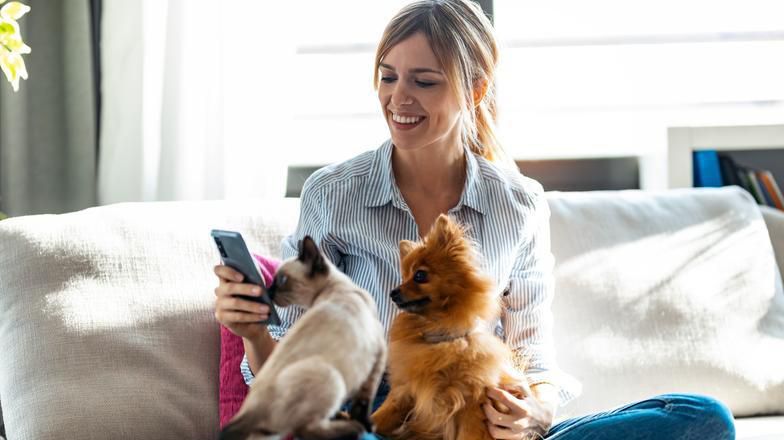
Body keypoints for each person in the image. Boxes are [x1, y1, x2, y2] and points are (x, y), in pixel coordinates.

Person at [214, 1, 736, 439]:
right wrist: (254, 334)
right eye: (388, 77)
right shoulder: (334, 194)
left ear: (476, 89)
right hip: (380, 419)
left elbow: (532, 352)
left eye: (424, 81)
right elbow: (289, 371)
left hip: (476, 415)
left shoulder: (518, 204)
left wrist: (536, 413)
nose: (399, 98)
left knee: (702, 419)